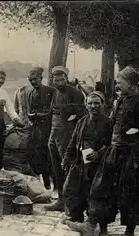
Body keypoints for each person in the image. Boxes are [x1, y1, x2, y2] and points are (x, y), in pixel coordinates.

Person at [67, 66, 139, 236]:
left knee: (129, 195)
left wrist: (136, 155)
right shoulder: (120, 100)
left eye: (120, 81)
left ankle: (128, 235)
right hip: (114, 153)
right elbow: (114, 127)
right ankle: (90, 225)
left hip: (132, 156)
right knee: (100, 187)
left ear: (130, 83)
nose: (117, 84)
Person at [62, 91, 112, 236]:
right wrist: (66, 158)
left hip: (100, 166)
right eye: (90, 103)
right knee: (71, 189)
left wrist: (99, 153)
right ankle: (78, 221)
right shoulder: (82, 122)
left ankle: (103, 228)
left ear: (102, 104)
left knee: (99, 195)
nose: (93, 106)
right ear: (86, 105)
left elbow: (112, 145)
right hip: (81, 163)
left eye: (97, 103)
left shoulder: (108, 123)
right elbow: (73, 141)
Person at [44, 66, 87, 212]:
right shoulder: (55, 93)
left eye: (62, 79)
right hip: (54, 133)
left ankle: (71, 202)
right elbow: (52, 112)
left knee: (67, 165)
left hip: (67, 135)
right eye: (56, 80)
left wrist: (71, 120)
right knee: (56, 166)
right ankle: (61, 200)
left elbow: (82, 112)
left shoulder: (74, 92)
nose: (59, 82)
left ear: (66, 78)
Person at [13, 67, 56, 189]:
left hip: (48, 129)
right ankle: (43, 185)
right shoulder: (31, 93)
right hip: (36, 130)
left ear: (41, 79)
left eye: (35, 79)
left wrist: (38, 115)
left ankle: (53, 186)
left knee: (49, 157)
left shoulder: (51, 91)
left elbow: (53, 111)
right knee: (37, 156)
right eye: (31, 80)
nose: (33, 82)